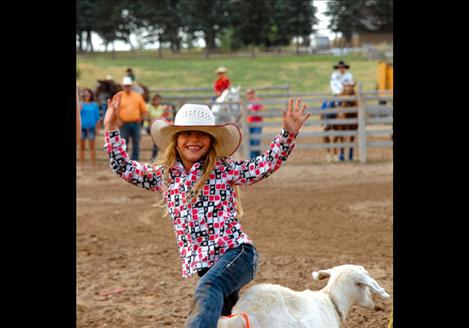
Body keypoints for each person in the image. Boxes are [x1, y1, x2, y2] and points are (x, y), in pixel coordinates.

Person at [103, 93, 310, 328]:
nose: (194, 139)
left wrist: (288, 134)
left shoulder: (222, 169)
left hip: (238, 254)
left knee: (208, 289)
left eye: (202, 134)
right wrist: (110, 128)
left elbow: (264, 165)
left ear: (211, 140)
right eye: (187, 133)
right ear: (176, 139)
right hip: (205, 265)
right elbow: (124, 167)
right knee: (225, 321)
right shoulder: (164, 175)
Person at [117, 76, 148, 160]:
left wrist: (141, 120)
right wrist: (118, 120)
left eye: (129, 85)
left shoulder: (138, 96)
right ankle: (125, 160)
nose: (127, 87)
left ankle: (135, 161)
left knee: (136, 143)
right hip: (123, 124)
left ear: (131, 86)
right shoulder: (119, 97)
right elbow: (115, 110)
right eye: (126, 85)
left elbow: (144, 110)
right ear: (123, 86)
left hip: (135, 123)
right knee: (123, 144)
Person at [144, 94, 172, 160]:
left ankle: (154, 156)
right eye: (156, 100)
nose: (158, 101)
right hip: (149, 125)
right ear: (153, 100)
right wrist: (152, 123)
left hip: (158, 125)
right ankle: (154, 156)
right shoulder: (148, 106)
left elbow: (167, 111)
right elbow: (146, 116)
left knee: (157, 140)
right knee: (156, 139)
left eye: (159, 100)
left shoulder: (161, 107)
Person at [79, 88, 101, 166]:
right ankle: (82, 164)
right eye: (85, 94)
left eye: (88, 94)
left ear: (91, 95)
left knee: (92, 147)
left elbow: (97, 117)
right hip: (82, 129)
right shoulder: (80, 104)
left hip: (91, 128)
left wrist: (98, 129)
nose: (87, 95)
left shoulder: (94, 105)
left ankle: (93, 164)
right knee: (82, 147)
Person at [245, 88, 264, 158]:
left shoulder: (257, 101)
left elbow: (261, 111)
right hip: (249, 124)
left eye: (250, 93)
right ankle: (252, 159)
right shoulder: (246, 103)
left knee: (256, 141)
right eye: (248, 93)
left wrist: (252, 110)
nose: (249, 95)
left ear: (253, 94)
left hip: (257, 124)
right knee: (250, 142)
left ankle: (257, 157)